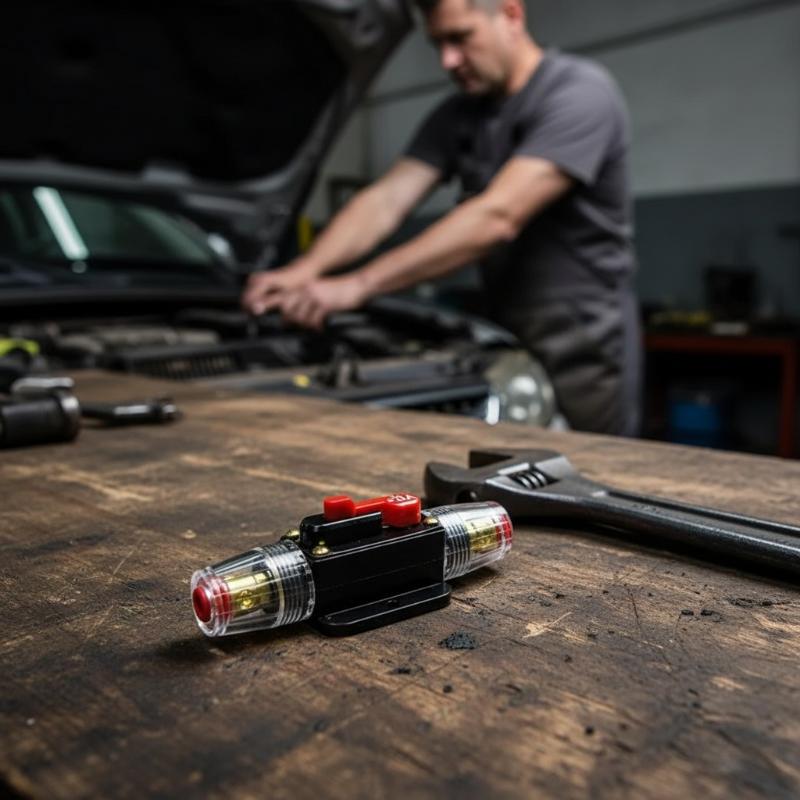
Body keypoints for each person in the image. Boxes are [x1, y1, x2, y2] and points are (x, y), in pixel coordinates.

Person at [242, 0, 641, 436]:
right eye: (438, 45)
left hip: (582, 339)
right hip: (502, 329)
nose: (448, 61)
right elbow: (387, 199)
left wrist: (356, 285)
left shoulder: (578, 92)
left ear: (511, 15)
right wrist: (306, 269)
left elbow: (497, 216)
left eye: (460, 38)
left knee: (590, 463)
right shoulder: (459, 114)